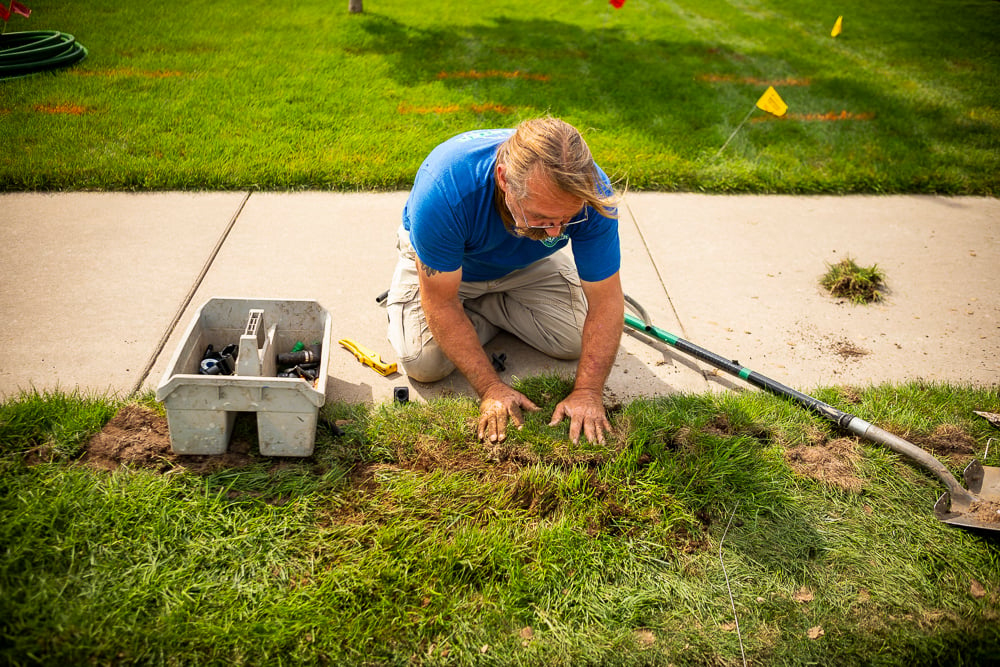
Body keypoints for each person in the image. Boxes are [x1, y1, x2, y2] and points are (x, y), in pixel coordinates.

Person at [385, 117, 624, 445]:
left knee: (573, 341)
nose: (555, 233)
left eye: (565, 220)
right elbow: (440, 300)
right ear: (504, 179)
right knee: (424, 363)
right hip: (450, 269)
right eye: (539, 217)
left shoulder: (592, 193)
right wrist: (491, 388)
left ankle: (472, 313)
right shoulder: (445, 186)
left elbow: (607, 301)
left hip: (526, 267)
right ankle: (462, 308)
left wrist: (587, 391)